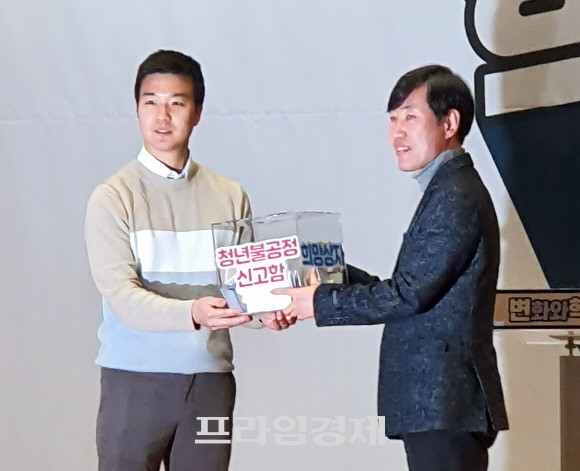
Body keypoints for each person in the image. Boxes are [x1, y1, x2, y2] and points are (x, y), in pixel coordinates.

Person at [275, 65, 509, 471]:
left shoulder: (455, 195)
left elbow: (407, 295)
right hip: (437, 405)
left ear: (449, 123)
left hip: (444, 402)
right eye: (393, 118)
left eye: (410, 117)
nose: (397, 132)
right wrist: (325, 271)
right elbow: (409, 289)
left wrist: (318, 302)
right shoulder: (447, 188)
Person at [85, 49, 291, 471]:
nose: (162, 116)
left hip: (209, 382)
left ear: (196, 112)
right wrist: (193, 313)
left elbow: (241, 289)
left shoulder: (229, 194)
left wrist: (268, 310)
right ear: (137, 109)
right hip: (133, 381)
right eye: (151, 102)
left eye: (177, 103)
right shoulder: (114, 197)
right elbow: (122, 297)